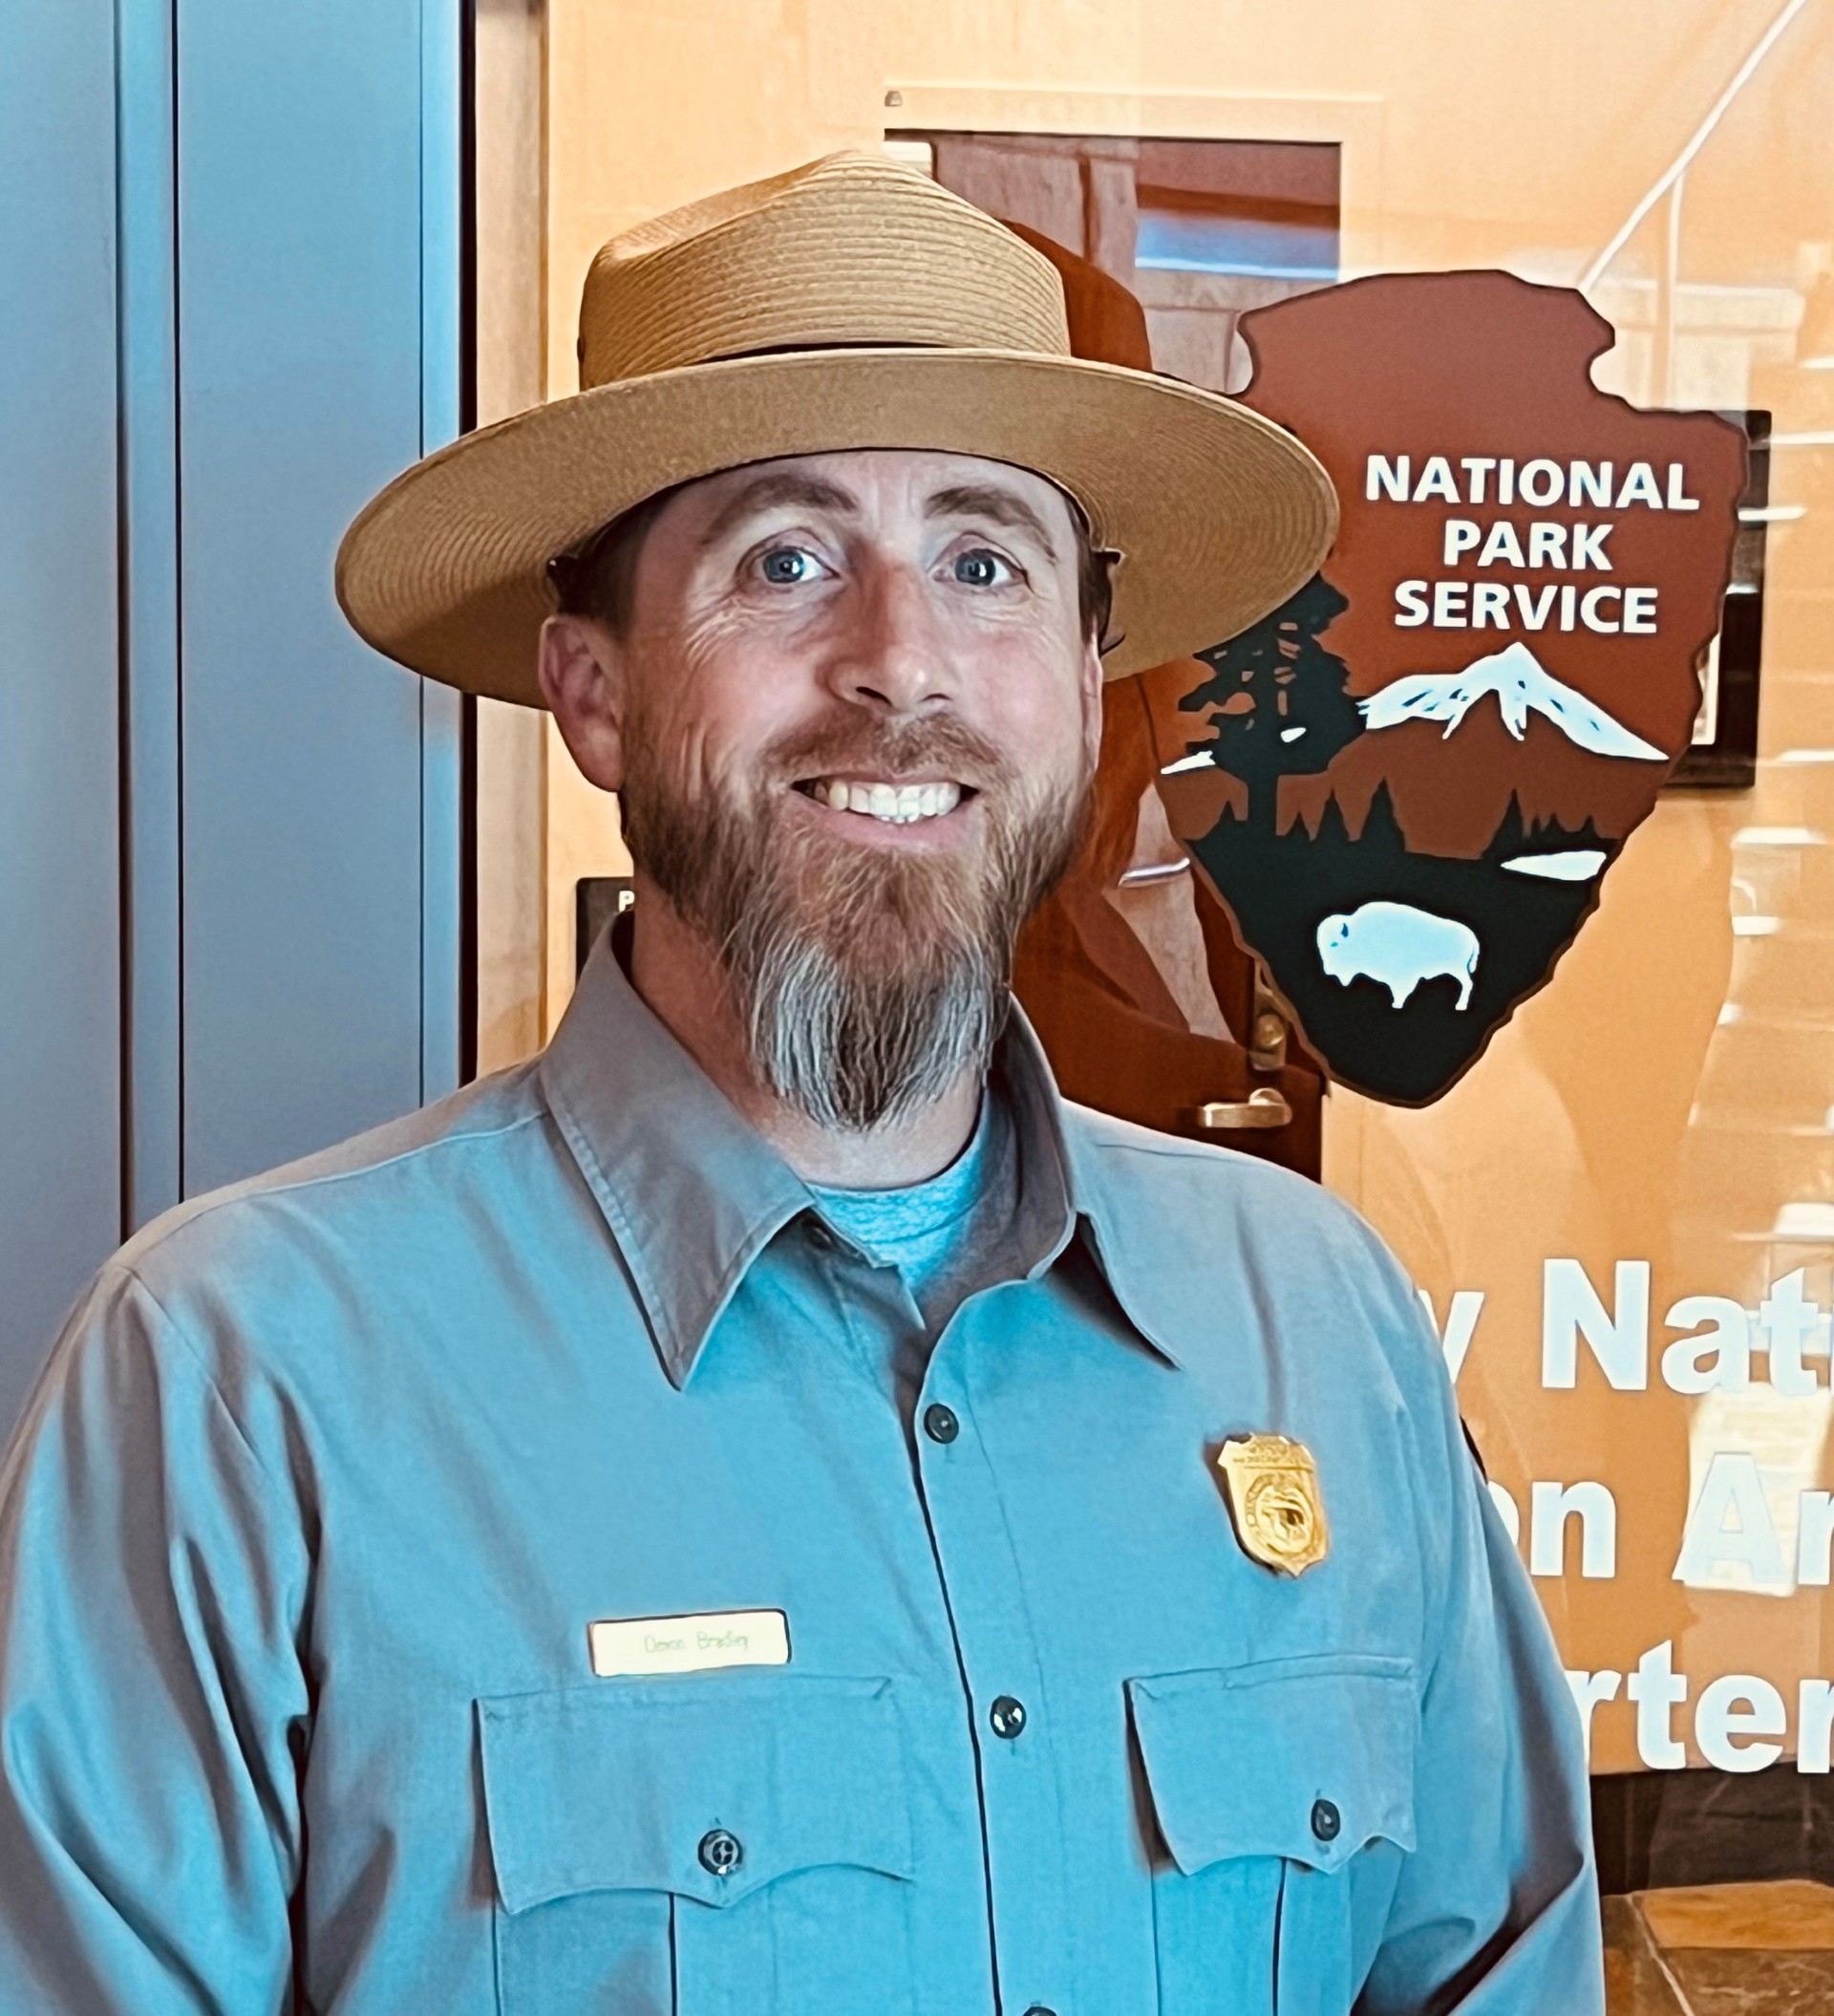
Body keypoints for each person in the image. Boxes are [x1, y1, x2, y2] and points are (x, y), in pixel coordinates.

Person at [0, 152, 1603, 2014]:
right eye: (788, 557)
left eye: (985, 559)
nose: (901, 663)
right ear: (595, 691)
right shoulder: (239, 1382)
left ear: (1086, 681)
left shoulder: (1320, 1323)